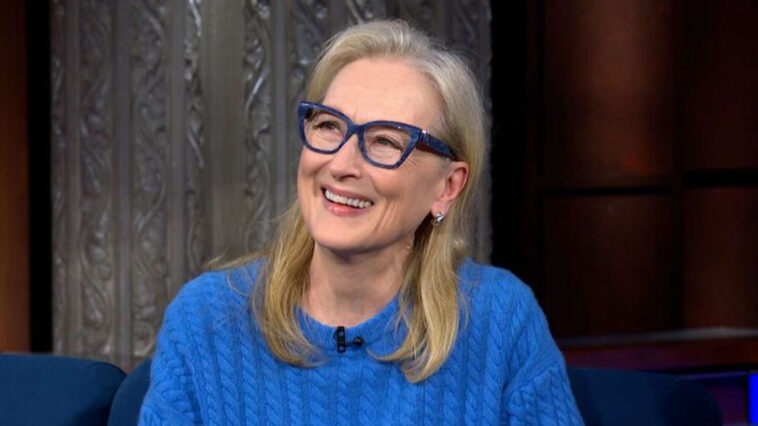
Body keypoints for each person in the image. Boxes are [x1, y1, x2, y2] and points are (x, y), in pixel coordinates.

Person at [139, 19, 582, 425]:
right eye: (330, 126)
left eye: (385, 140)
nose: (341, 164)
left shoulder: (501, 320)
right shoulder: (205, 320)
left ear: (447, 186)